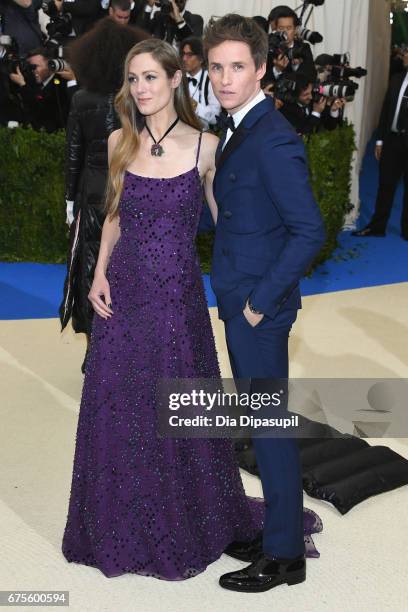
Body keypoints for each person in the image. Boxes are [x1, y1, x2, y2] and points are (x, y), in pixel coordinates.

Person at [61, 37, 262, 580]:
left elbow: (228, 224)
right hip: (124, 293)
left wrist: (258, 280)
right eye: (133, 78)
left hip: (177, 298)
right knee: (119, 404)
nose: (141, 88)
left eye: (151, 77)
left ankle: (188, 518)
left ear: (177, 79)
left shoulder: (206, 147)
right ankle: (116, 522)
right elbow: (114, 216)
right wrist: (99, 272)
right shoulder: (117, 142)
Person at [203, 14, 326, 592]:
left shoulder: (273, 138)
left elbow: (309, 230)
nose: (225, 78)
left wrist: (257, 302)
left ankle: (284, 556)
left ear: (261, 70)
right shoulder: (238, 128)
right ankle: (277, 527)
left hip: (258, 308)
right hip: (239, 296)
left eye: (237, 67)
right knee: (259, 420)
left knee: (269, 426)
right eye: (216, 66)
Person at [59, 18, 148, 371]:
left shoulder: (81, 100)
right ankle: (123, 349)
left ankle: (94, 349)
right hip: (130, 195)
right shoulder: (137, 100)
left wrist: (70, 200)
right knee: (125, 270)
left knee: (89, 271)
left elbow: (73, 154)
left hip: (91, 197)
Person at [352, 46, 408, 240]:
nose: (406, 56)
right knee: (385, 185)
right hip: (392, 141)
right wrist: (380, 141)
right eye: (407, 52)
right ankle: (377, 227)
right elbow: (385, 112)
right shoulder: (396, 78)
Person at [9, 46, 72, 131]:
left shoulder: (61, 84)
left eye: (36, 66)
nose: (33, 70)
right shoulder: (31, 81)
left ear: (50, 65)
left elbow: (43, 111)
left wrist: (23, 85)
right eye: (30, 67)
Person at [278, 73, 345, 136]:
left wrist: (333, 110)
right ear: (294, 97)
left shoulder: (315, 98)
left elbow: (330, 126)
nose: (311, 97)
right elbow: (304, 134)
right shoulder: (285, 111)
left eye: (310, 92)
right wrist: (316, 113)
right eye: (305, 95)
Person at [265, 5, 316, 86]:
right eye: (281, 28)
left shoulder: (303, 48)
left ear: (295, 29)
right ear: (275, 30)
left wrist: (293, 67)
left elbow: (311, 76)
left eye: (289, 28)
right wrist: (277, 70)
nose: (285, 33)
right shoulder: (269, 49)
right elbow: (263, 79)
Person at [181, 36, 221, 129]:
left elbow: (215, 118)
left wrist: (195, 106)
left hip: (202, 134)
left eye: (189, 55)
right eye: (183, 54)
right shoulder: (179, 78)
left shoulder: (211, 79)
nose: (184, 58)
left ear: (201, 59)